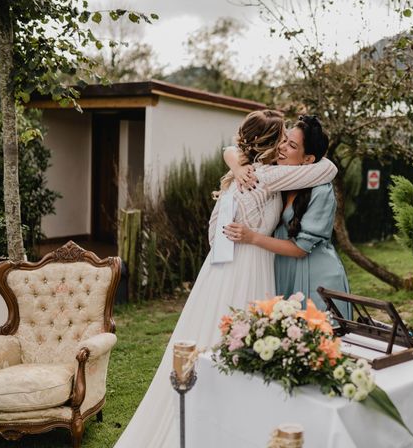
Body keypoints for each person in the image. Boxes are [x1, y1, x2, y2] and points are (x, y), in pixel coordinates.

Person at [114, 110, 338, 448]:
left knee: (211, 341)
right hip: (250, 266)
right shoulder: (269, 176)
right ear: (269, 145)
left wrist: (234, 164)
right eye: (281, 140)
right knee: (243, 349)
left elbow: (211, 234)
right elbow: (328, 168)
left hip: (217, 270)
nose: (283, 148)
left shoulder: (237, 180)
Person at [223, 115, 351, 319]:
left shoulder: (321, 190)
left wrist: (252, 237)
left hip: (315, 276)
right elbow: (232, 150)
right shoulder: (277, 173)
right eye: (283, 140)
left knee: (314, 343)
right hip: (281, 269)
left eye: (291, 145)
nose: (281, 147)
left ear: (308, 159)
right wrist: (237, 168)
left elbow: (300, 249)